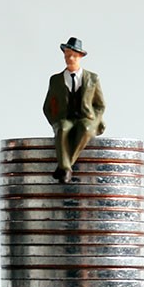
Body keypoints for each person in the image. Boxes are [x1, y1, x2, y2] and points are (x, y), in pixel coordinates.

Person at [43, 37, 105, 184]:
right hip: (65, 118)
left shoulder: (93, 78)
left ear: (80, 56)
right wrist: (55, 122)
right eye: (67, 54)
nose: (70, 58)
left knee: (86, 128)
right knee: (62, 129)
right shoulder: (56, 80)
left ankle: (64, 167)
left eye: (73, 55)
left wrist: (95, 120)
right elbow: (47, 107)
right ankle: (66, 167)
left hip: (86, 117)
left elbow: (100, 105)